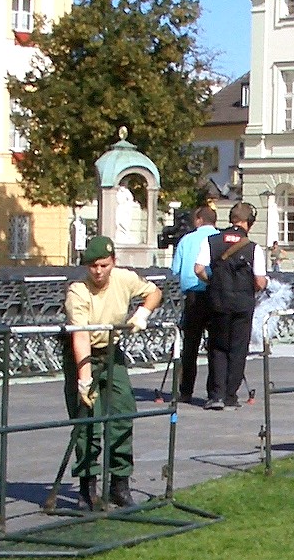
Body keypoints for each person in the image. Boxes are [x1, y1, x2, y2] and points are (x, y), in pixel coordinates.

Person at [64, 237, 162, 510]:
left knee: (123, 413)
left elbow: (154, 292)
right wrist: (84, 380)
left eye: (103, 265)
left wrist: (143, 313)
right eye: (92, 266)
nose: (98, 271)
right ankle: (87, 488)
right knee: (87, 422)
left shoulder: (124, 278)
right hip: (83, 355)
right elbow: (80, 337)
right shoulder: (78, 292)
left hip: (111, 351)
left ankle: (120, 484)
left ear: (113, 262)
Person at [197, 201, 265, 408]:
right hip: (243, 303)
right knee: (238, 348)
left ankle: (215, 395)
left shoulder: (211, 241)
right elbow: (260, 281)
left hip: (218, 301)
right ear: (248, 224)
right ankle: (230, 395)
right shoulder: (254, 248)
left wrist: (213, 282)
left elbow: (199, 269)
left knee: (217, 347)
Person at [170, 203, 219, 404]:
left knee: (190, 346)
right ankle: (215, 392)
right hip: (215, 293)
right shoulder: (220, 239)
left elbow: (176, 269)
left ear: (199, 220)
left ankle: (186, 390)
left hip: (192, 297)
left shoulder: (187, 239)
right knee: (215, 345)